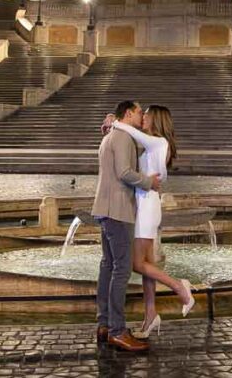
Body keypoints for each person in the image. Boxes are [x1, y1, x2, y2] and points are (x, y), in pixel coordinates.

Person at [110, 105, 195, 338]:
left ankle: (180, 287)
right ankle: (150, 316)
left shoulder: (158, 142)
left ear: (156, 118)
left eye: (146, 114)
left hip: (147, 206)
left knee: (137, 263)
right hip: (146, 204)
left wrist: (114, 122)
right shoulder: (155, 144)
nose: (143, 117)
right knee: (147, 264)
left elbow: (133, 133)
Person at [91, 100, 161, 352]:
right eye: (139, 112)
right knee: (121, 269)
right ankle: (118, 331)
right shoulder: (120, 136)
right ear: (129, 113)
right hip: (118, 210)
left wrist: (113, 118)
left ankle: (105, 325)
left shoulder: (113, 134)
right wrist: (148, 182)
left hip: (106, 208)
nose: (142, 115)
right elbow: (124, 172)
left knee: (108, 266)